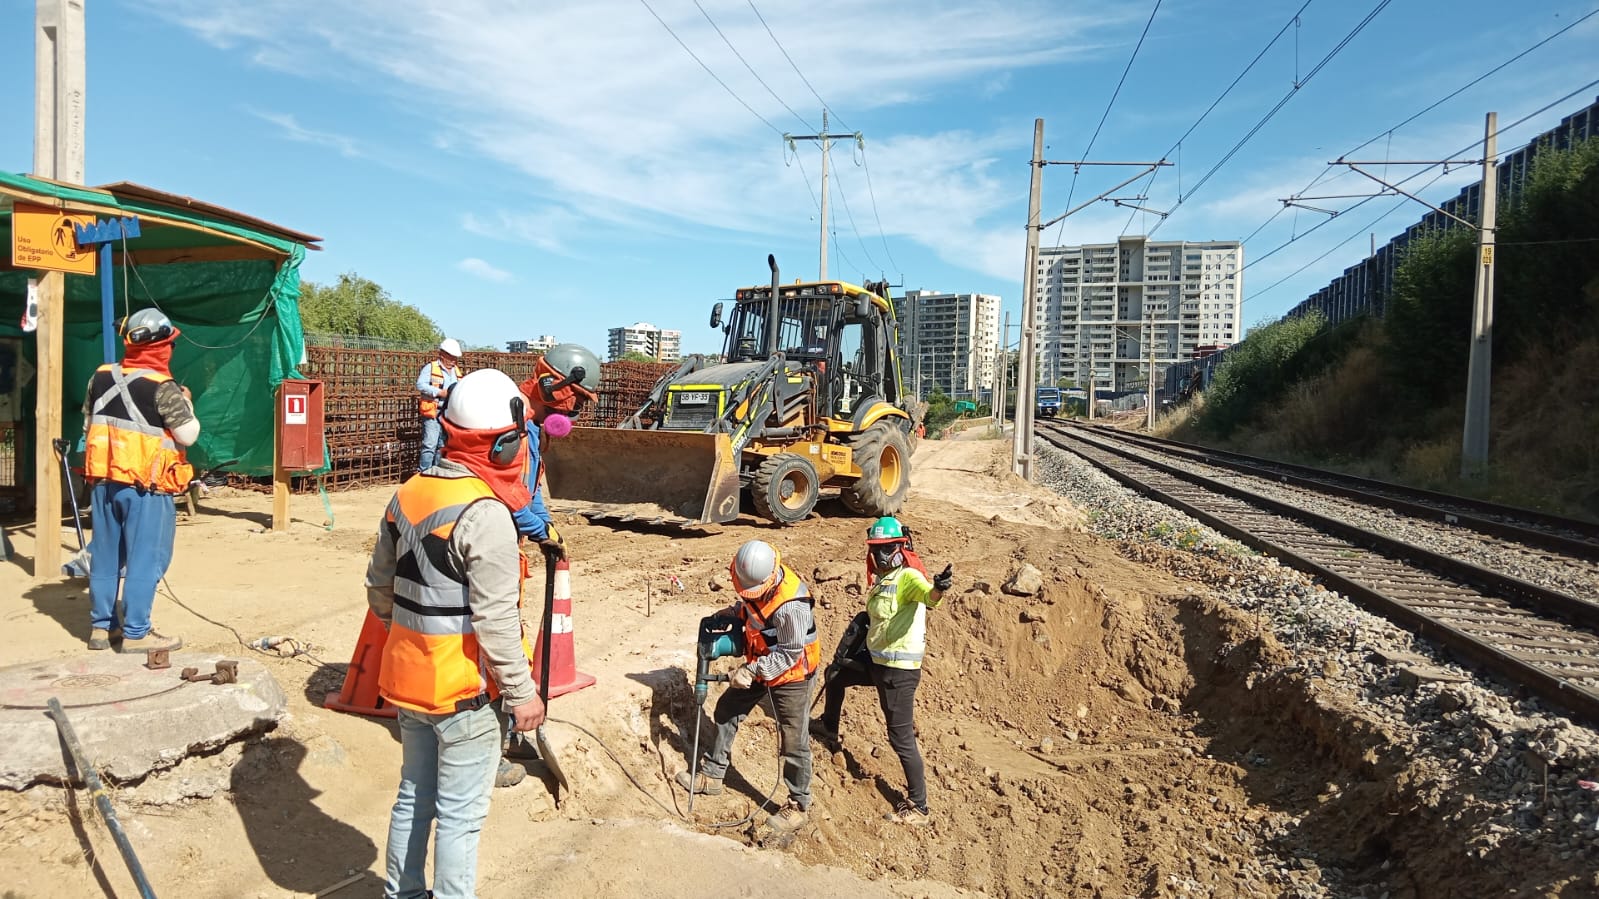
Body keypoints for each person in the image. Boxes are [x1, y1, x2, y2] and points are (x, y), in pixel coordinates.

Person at [366, 368, 545, 899]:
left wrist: (411, 640)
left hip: (409, 682)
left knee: (412, 799)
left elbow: (379, 588)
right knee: (460, 818)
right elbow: (494, 619)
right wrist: (522, 692)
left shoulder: (408, 492)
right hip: (464, 693)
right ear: (504, 444)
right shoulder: (485, 513)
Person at [676, 539, 821, 831]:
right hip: (762, 660)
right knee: (727, 710)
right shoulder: (755, 578)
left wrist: (751, 669)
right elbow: (753, 607)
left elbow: (790, 654)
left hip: (792, 675)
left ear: (769, 578)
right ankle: (713, 775)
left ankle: (798, 803)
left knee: (793, 741)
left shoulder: (791, 605)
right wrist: (734, 612)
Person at [816, 516, 952, 826]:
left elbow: (928, 596)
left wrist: (939, 589)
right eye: (876, 549)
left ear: (900, 547)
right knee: (835, 675)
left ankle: (919, 806)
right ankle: (828, 727)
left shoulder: (908, 577)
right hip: (876, 664)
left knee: (900, 736)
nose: (880, 555)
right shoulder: (884, 579)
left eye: (886, 548)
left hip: (898, 672)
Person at [81, 309, 198, 653]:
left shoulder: (100, 377)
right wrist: (187, 404)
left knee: (104, 556)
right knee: (146, 558)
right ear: (163, 346)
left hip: (103, 483)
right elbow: (187, 435)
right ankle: (136, 632)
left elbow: (89, 424)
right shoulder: (164, 388)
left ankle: (102, 629)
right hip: (147, 487)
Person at [416, 338, 464, 472]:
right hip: (433, 411)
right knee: (430, 444)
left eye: (455, 358)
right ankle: (423, 472)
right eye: (451, 357)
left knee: (442, 445)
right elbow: (420, 385)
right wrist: (439, 392)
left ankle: (436, 472)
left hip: (448, 414)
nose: (453, 360)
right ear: (442, 354)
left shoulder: (456, 371)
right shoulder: (431, 367)